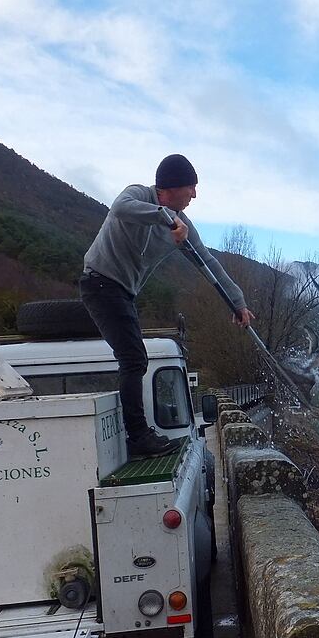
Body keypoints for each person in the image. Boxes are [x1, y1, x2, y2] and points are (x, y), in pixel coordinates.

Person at [80, 153, 254, 459]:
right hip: (100, 283)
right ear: (171, 187)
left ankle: (139, 434)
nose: (195, 195)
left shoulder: (183, 225)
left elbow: (208, 263)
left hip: (124, 293)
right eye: (191, 187)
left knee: (135, 358)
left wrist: (237, 302)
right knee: (134, 359)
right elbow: (120, 208)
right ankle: (138, 437)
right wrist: (165, 216)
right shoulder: (138, 194)